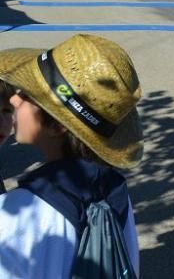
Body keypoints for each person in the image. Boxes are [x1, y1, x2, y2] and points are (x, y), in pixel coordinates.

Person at [0, 34, 143, 278]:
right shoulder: (115, 192)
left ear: (58, 127)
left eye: (26, 96)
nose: (14, 99)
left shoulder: (15, 215)